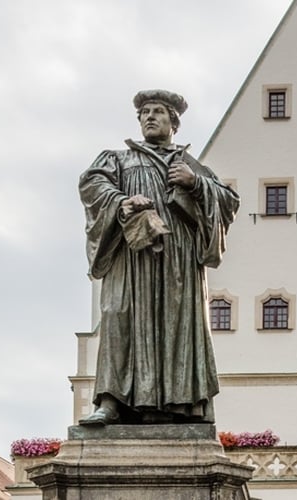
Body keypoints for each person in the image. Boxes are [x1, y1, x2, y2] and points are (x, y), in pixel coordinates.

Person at [78, 89, 240, 425]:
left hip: (178, 261)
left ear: (173, 122)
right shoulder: (118, 159)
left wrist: (196, 183)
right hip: (132, 256)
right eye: (145, 112)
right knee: (118, 317)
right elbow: (92, 185)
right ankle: (111, 402)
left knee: (177, 326)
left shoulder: (192, 166)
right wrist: (121, 201)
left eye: (158, 112)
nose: (150, 117)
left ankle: (181, 404)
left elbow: (229, 203)